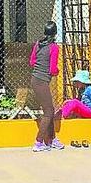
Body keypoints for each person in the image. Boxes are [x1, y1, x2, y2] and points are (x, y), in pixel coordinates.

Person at [30, 21, 62, 152]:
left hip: (35, 79)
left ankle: (51, 140)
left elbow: (32, 62)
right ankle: (38, 142)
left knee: (49, 109)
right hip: (42, 81)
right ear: (55, 33)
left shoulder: (38, 44)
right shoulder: (54, 47)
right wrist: (57, 71)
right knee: (49, 112)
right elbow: (52, 69)